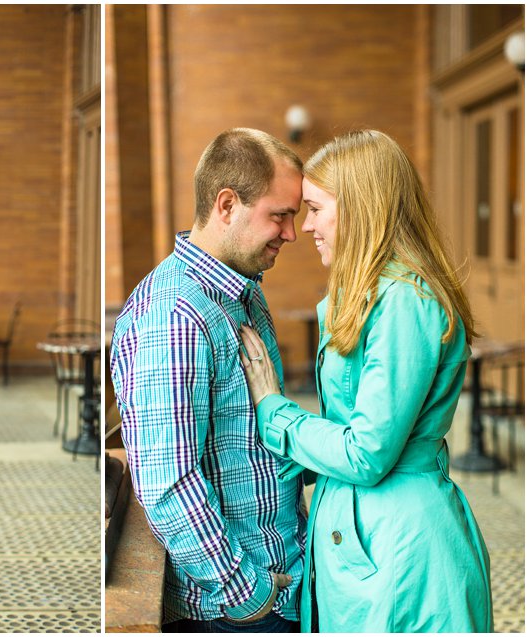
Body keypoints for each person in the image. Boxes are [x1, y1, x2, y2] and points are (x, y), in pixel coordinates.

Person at [239, 129, 493, 632]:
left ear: (359, 208)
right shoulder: (375, 296)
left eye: (315, 208)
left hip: (402, 550)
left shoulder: (404, 303)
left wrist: (274, 410)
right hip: (370, 539)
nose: (305, 227)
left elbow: (367, 453)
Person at [110, 128, 307, 632]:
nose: (291, 232)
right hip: (232, 613)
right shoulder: (176, 314)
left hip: (281, 582)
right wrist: (248, 595)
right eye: (280, 215)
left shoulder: (241, 291)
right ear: (226, 205)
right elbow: (170, 482)